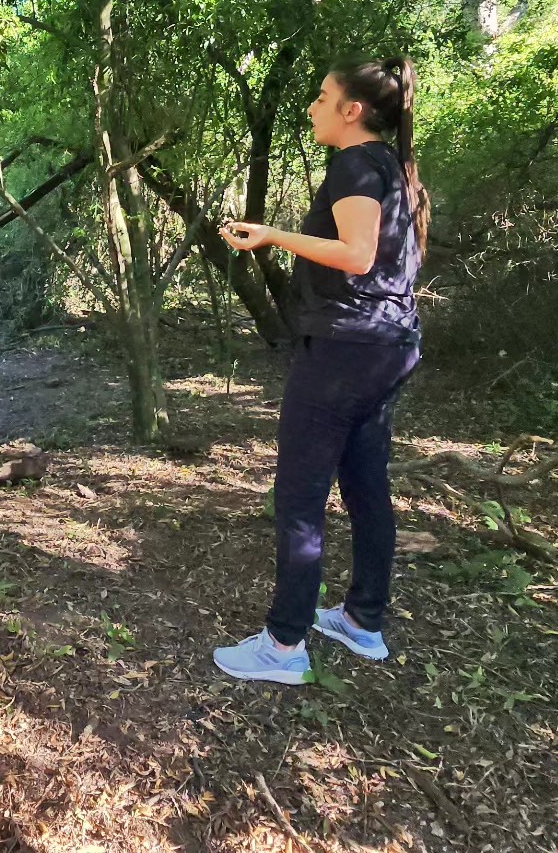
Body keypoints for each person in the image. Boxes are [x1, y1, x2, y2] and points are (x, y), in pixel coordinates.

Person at [212, 56, 429, 685]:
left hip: (344, 352)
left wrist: (274, 236)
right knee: (365, 483)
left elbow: (358, 256)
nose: (312, 107)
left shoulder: (356, 163)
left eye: (322, 96)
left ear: (351, 110)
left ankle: (283, 646)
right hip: (385, 346)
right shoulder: (392, 165)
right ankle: (363, 621)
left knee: (301, 495)